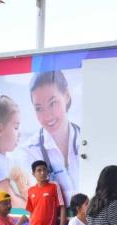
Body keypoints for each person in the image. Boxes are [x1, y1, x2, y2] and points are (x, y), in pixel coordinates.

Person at [12, 70, 79, 205]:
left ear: (66, 95)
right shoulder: (27, 152)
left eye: (53, 103)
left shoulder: (88, 141)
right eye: (39, 108)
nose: (47, 116)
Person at [26, 160, 66, 225]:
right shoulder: (31, 190)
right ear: (33, 174)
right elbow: (31, 212)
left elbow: (62, 207)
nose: (42, 173)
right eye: (39, 170)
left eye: (44, 170)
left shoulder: (54, 186)